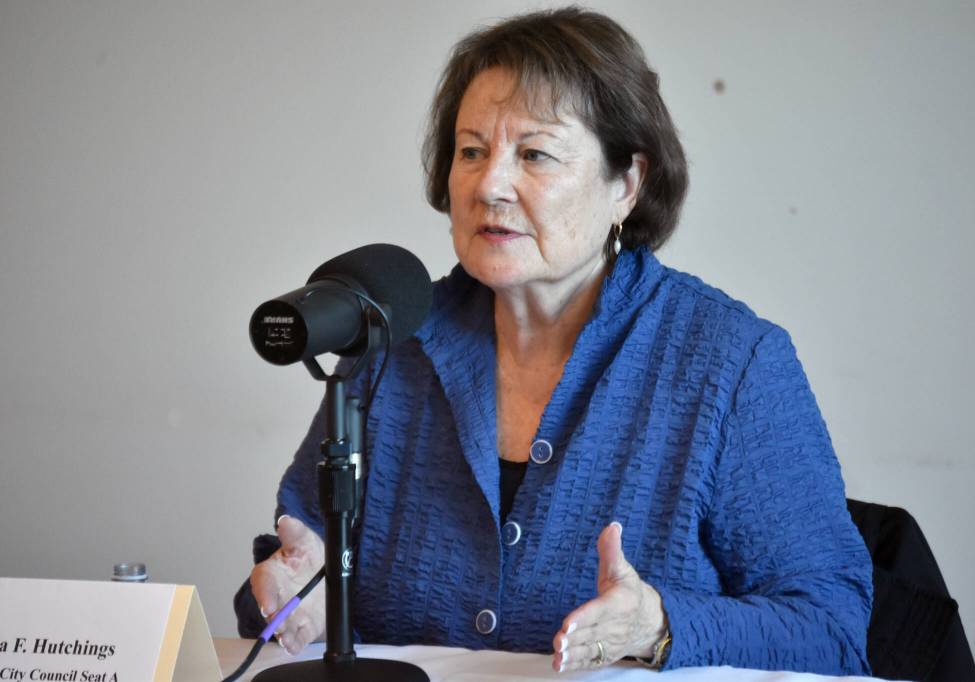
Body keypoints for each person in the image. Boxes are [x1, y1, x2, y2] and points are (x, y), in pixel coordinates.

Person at [242, 7, 873, 675]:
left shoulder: (730, 363)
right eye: (472, 151)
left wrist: (658, 626)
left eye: (535, 153)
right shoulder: (390, 344)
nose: (489, 185)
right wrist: (296, 604)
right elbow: (295, 569)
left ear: (626, 184)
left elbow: (832, 626)